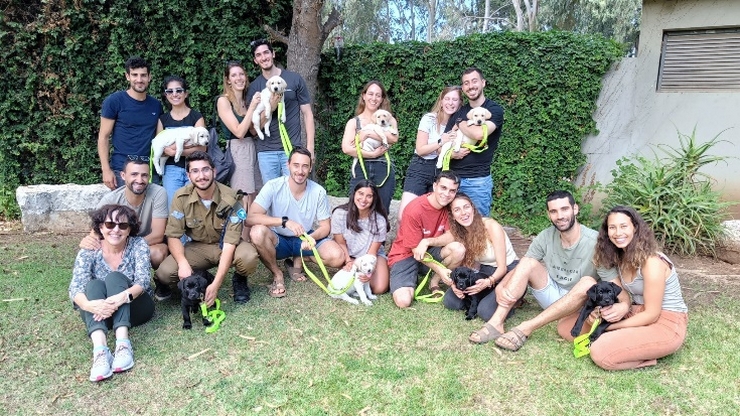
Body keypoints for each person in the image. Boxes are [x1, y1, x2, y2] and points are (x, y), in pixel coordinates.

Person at [468, 190, 623, 351]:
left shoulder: (596, 242)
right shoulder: (545, 236)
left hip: (577, 302)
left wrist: (623, 306)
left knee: (588, 282)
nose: (560, 216)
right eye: (554, 211)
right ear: (549, 215)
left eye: (564, 209)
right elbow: (522, 266)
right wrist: (501, 286)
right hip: (551, 292)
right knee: (528, 261)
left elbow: (614, 285)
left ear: (575, 209)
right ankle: (496, 323)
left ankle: (526, 327)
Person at [559, 206, 688, 370]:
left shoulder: (652, 262)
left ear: (635, 227)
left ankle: (646, 356)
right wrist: (600, 314)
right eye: (612, 227)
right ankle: (623, 342)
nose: (618, 233)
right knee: (565, 327)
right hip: (635, 312)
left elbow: (652, 314)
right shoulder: (620, 256)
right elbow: (622, 295)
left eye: (623, 226)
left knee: (601, 352)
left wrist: (607, 327)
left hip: (665, 322)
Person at [154, 151, 259, 305]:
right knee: (165, 273)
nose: (201, 176)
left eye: (205, 170)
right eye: (195, 171)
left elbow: (230, 244)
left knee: (248, 257)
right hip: (197, 247)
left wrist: (216, 284)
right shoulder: (181, 197)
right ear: (189, 175)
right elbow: (173, 235)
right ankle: (199, 276)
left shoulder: (232, 198)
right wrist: (183, 263)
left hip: (225, 245)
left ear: (214, 171)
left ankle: (240, 279)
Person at [69, 204, 155, 382]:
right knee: (92, 286)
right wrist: (89, 305)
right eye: (110, 225)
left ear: (129, 229)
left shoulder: (138, 245)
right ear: (100, 227)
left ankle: (123, 345)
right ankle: (100, 352)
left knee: (115, 277)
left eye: (123, 225)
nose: (116, 230)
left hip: (136, 307)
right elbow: (76, 287)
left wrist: (120, 298)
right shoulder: (89, 250)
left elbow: (143, 281)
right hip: (101, 314)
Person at [248, 147, 345, 298]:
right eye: (296, 165)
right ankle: (277, 274)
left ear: (310, 168)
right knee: (257, 232)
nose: (300, 171)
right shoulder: (273, 186)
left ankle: (297, 260)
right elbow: (250, 218)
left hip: (304, 239)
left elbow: (326, 227)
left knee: (337, 256)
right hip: (279, 239)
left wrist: (312, 237)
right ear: (288, 165)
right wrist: (283, 221)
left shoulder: (318, 191)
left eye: (305, 166)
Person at [388, 170, 466, 308]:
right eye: (443, 188)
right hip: (406, 255)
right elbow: (416, 251)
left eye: (452, 190)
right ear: (435, 186)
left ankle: (433, 282)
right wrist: (440, 269)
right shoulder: (415, 209)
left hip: (431, 252)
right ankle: (411, 277)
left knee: (458, 249)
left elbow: (451, 235)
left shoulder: (450, 207)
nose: (447, 194)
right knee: (403, 301)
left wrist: (428, 241)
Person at [441, 193, 520, 321]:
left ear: (473, 208)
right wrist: (456, 285)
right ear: (453, 216)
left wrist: (487, 283)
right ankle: (485, 298)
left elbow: (502, 268)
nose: (463, 213)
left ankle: (513, 299)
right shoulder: (462, 232)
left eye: (466, 207)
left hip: (508, 271)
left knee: (486, 312)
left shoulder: (491, 226)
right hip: (484, 271)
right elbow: (471, 266)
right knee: (451, 301)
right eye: (457, 209)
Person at [79, 159, 168, 269]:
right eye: (134, 174)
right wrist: (89, 240)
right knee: (92, 250)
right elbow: (96, 233)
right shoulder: (110, 199)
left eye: (144, 175)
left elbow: (157, 235)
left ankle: (158, 283)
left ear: (149, 177)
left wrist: (128, 248)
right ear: (123, 175)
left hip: (145, 244)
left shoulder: (158, 193)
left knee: (158, 252)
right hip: (117, 244)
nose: (139, 180)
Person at [247, 39, 315, 182]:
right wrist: (271, 107)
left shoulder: (294, 79)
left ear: (273, 54)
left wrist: (310, 148)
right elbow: (253, 129)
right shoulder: (255, 87)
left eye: (266, 52)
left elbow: (307, 114)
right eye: (259, 55)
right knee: (272, 198)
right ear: (255, 60)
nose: (264, 57)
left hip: (292, 149)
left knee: (295, 195)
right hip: (266, 152)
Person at [443, 67, 504, 217]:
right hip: (453, 181)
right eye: (466, 83)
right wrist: (452, 155)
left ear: (483, 83)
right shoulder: (459, 112)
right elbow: (444, 143)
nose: (471, 86)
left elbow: (478, 133)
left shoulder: (494, 110)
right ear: (463, 88)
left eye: (474, 81)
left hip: (477, 182)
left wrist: (460, 123)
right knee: (453, 227)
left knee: (479, 227)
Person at [398, 86, 463, 223]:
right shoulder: (429, 119)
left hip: (441, 171)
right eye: (447, 99)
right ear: (441, 101)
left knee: (430, 219)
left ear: (459, 103)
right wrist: (441, 141)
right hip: (420, 167)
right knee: (404, 215)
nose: (450, 103)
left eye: (455, 99)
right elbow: (421, 149)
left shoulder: (459, 124)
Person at [98, 56, 162, 190]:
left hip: (148, 170)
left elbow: (159, 139)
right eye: (135, 75)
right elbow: (103, 136)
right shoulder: (114, 101)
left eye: (143, 75)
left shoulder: (156, 105)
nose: (139, 79)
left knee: (149, 211)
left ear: (149, 77)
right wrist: (106, 170)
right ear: (127, 76)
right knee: (124, 211)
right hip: (122, 170)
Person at [217, 61, 262, 240]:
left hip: (254, 148)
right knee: (241, 197)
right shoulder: (223, 101)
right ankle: (239, 238)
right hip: (238, 149)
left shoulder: (245, 100)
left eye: (241, 74)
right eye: (234, 75)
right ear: (228, 80)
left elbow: (252, 130)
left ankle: (251, 236)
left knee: (254, 195)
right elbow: (239, 131)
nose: (239, 78)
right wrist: (252, 108)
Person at [341, 80, 398, 215]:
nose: (374, 98)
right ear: (364, 96)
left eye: (378, 95)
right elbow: (347, 148)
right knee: (356, 210)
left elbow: (394, 138)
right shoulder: (354, 122)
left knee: (382, 211)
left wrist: (367, 134)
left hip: (383, 167)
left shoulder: (389, 119)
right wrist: (372, 154)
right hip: (361, 167)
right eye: (370, 94)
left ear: (382, 99)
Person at [331, 180, 391, 294]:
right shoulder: (339, 214)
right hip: (347, 253)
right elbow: (340, 243)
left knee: (379, 288)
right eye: (361, 193)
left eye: (369, 196)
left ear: (374, 199)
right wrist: (348, 261)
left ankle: (381, 271)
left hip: (371, 256)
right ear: (354, 194)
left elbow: (372, 252)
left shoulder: (379, 221)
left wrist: (370, 271)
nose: (363, 199)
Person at [156, 75, 207, 208]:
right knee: (174, 210)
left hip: (195, 170)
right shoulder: (163, 120)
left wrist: (176, 151)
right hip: (171, 171)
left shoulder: (196, 117)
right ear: (165, 95)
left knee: (195, 209)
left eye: (178, 90)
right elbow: (160, 149)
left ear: (185, 93)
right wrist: (186, 148)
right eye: (170, 91)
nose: (174, 94)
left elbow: (202, 149)